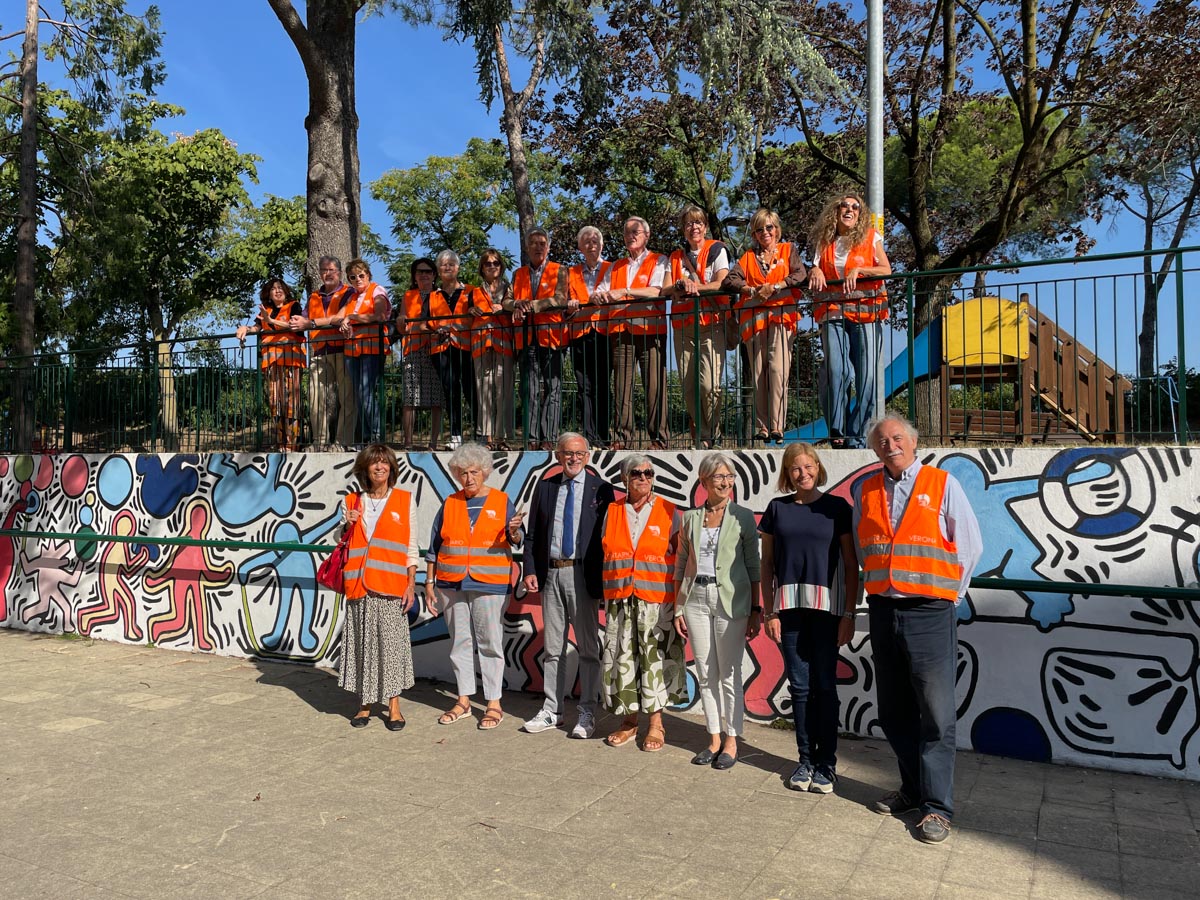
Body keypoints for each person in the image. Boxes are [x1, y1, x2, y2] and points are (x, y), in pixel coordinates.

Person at [853, 413, 982, 844]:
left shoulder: (942, 483)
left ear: (912, 442)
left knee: (937, 715)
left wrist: (950, 596)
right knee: (893, 712)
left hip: (930, 612)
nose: (890, 445)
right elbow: (862, 544)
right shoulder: (866, 489)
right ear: (874, 449)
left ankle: (937, 808)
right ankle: (912, 790)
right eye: (882, 440)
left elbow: (969, 543)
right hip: (884, 609)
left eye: (897, 438)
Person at [759, 443, 859, 794]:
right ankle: (804, 761)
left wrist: (850, 614)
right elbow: (767, 564)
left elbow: (850, 565)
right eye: (796, 469)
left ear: (818, 467)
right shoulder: (777, 509)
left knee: (825, 687)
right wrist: (769, 611)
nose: (803, 474)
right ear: (787, 474)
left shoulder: (837, 508)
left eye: (809, 466)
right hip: (788, 613)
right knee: (799, 688)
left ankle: (826, 765)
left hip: (828, 612)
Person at [520, 432, 616, 739]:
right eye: (567, 453)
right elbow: (533, 533)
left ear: (588, 457)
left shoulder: (601, 490)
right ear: (558, 456)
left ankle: (587, 711)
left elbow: (607, 538)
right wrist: (530, 569)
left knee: (588, 648)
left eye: (578, 453)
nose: (573, 458)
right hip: (551, 573)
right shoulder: (546, 487)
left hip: (583, 576)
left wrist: (604, 581)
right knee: (553, 649)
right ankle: (552, 710)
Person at [426, 442, 525, 730]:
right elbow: (434, 546)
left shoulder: (501, 501)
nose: (468, 478)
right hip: (450, 582)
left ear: (484, 472)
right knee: (460, 643)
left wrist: (514, 532)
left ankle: (494, 703)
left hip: (489, 583)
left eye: (474, 472)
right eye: (463, 473)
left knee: (490, 643)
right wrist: (430, 582)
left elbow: (517, 539)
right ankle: (464, 700)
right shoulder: (450, 503)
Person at [673, 452, 761, 769]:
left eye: (729, 476)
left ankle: (732, 740)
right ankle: (712, 738)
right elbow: (682, 563)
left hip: (731, 602)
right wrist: (678, 607)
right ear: (704, 481)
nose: (725, 482)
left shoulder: (743, 517)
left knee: (729, 673)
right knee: (707, 673)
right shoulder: (690, 518)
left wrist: (756, 608)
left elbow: (754, 566)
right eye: (718, 477)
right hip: (695, 598)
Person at [599, 454, 685, 750]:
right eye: (637, 473)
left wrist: (681, 605)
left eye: (649, 473)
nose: (644, 478)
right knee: (623, 661)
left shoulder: (669, 511)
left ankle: (657, 725)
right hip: (621, 599)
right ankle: (629, 722)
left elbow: (683, 559)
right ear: (625, 478)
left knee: (654, 662)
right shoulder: (611, 511)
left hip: (657, 602)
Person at [338, 444, 420, 731]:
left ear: (392, 468)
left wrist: (411, 583)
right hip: (359, 586)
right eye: (374, 463)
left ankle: (394, 706)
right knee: (363, 647)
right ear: (365, 468)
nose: (380, 467)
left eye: (385, 462)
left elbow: (411, 547)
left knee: (391, 649)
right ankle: (364, 705)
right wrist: (345, 526)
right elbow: (341, 543)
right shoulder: (351, 501)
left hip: (391, 587)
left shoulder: (404, 500)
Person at [808, 190, 892, 448]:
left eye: (855, 207)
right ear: (835, 211)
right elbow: (816, 266)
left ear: (860, 213)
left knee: (867, 378)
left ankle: (856, 434)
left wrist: (860, 269)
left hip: (867, 314)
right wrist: (814, 269)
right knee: (836, 370)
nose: (850, 210)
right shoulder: (825, 242)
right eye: (844, 205)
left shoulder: (870, 237)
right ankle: (838, 429)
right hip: (833, 312)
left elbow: (886, 270)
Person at [722, 209, 808, 444]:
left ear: (777, 229)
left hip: (782, 318)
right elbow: (730, 280)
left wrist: (777, 286)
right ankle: (762, 427)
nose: (765, 232)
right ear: (754, 233)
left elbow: (801, 274)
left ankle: (777, 425)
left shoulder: (788, 250)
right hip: (755, 321)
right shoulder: (748, 257)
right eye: (759, 229)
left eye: (769, 227)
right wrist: (751, 290)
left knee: (778, 370)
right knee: (759, 373)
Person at [596, 217, 670, 450]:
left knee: (655, 386)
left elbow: (657, 291)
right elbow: (600, 291)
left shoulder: (659, 260)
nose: (630, 235)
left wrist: (625, 292)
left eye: (635, 231)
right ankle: (622, 438)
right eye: (627, 232)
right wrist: (599, 296)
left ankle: (659, 438)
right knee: (621, 388)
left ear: (646, 235)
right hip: (620, 332)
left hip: (651, 330)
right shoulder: (615, 266)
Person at [664, 206, 730, 449]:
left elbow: (721, 282)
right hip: (682, 326)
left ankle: (713, 432)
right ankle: (701, 435)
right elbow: (665, 289)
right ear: (684, 229)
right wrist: (679, 286)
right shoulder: (675, 257)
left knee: (710, 385)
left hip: (710, 323)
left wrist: (695, 287)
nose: (694, 228)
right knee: (689, 386)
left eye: (698, 223)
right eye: (689, 224)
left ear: (705, 226)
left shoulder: (717, 249)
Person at [509, 227, 569, 450]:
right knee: (530, 391)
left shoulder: (560, 270)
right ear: (526, 247)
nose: (538, 247)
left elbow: (561, 298)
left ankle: (549, 439)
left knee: (553, 389)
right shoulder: (518, 274)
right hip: (526, 338)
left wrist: (533, 306)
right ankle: (532, 439)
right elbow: (507, 300)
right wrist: (516, 304)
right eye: (533, 243)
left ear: (548, 246)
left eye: (542, 243)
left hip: (552, 338)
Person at [295, 256, 356, 451]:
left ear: (339, 272)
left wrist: (311, 323)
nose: (327, 273)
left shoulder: (349, 293)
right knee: (315, 398)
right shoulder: (314, 296)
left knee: (347, 399)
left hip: (344, 349)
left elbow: (340, 319)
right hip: (320, 351)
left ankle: (342, 442)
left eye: (331, 270)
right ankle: (319, 442)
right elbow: (303, 319)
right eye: (323, 270)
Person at [236, 278, 305, 451]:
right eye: (273, 289)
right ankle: (280, 442)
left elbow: (295, 326)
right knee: (275, 402)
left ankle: (292, 444)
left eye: (281, 288)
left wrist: (271, 321)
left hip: (290, 359)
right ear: (268, 293)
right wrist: (246, 329)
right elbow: (257, 327)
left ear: (286, 291)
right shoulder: (265, 311)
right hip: (271, 362)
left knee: (291, 402)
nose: (277, 291)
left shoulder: (294, 306)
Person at [565, 226, 613, 449]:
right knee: (584, 387)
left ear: (601, 245)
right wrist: (569, 307)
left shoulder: (612, 269)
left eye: (595, 241)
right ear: (580, 247)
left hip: (604, 333)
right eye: (586, 242)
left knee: (603, 385)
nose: (591, 245)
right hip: (580, 334)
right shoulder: (570, 273)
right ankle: (588, 436)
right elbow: (563, 306)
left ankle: (603, 436)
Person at [431, 250, 478, 450]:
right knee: (450, 391)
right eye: (443, 264)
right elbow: (426, 321)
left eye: (451, 264)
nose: (448, 267)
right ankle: (456, 434)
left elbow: (480, 315)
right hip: (441, 348)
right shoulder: (433, 295)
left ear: (458, 268)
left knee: (470, 390)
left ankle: (479, 432)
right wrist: (436, 328)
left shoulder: (471, 291)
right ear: (438, 270)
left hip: (466, 347)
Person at [341, 258, 391, 446]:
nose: (357, 279)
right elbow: (343, 318)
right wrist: (345, 324)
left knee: (365, 391)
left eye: (361, 275)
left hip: (372, 347)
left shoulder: (377, 291)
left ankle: (376, 436)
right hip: (353, 349)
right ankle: (366, 437)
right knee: (359, 393)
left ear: (368, 275)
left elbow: (379, 315)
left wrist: (352, 317)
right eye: (353, 277)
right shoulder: (352, 297)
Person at [469, 249, 515, 450]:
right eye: (488, 263)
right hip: (481, 346)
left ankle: (502, 438)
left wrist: (504, 308)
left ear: (501, 266)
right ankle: (486, 438)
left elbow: (515, 308)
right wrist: (471, 310)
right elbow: (467, 311)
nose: (492, 266)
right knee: (484, 392)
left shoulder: (510, 289)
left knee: (504, 392)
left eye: (496, 263)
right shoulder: (474, 291)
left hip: (503, 344)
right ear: (482, 267)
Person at [398, 258, 445, 450]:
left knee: (437, 398)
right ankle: (408, 442)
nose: (424, 275)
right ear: (414, 276)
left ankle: (433, 442)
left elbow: (440, 323)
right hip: (413, 349)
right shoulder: (408, 296)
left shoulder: (440, 295)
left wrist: (416, 326)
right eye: (419, 272)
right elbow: (402, 324)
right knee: (410, 398)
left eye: (428, 271)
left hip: (436, 349)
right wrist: (419, 326)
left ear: (434, 275)